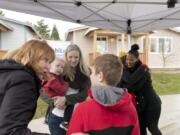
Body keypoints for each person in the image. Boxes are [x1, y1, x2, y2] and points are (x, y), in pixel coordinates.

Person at [67, 54, 140, 135]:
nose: (90, 76)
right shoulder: (130, 108)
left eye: (92, 73)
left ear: (100, 76)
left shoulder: (82, 110)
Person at [0, 39, 55, 135]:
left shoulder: (8, 72)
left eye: (50, 62)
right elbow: (11, 131)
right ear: (32, 56)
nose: (49, 67)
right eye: (46, 60)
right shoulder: (23, 79)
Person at [41, 44, 91, 135]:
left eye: (76, 57)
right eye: (70, 57)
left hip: (75, 117)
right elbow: (43, 90)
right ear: (66, 57)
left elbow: (84, 95)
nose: (73, 60)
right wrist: (54, 103)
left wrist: (66, 99)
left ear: (80, 57)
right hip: (56, 117)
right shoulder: (59, 69)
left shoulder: (85, 73)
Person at [118, 44, 162, 135]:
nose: (128, 62)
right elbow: (120, 85)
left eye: (131, 60)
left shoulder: (143, 71)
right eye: (127, 59)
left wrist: (122, 70)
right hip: (140, 106)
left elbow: (132, 86)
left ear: (137, 59)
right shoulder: (130, 70)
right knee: (141, 128)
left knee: (152, 128)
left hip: (152, 104)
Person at [42, 57, 77, 131]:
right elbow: (61, 90)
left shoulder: (54, 76)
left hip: (52, 95)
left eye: (62, 67)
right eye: (57, 66)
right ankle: (66, 122)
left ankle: (46, 118)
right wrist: (67, 84)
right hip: (53, 95)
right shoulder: (52, 78)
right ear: (50, 66)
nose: (60, 68)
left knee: (51, 107)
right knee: (71, 103)